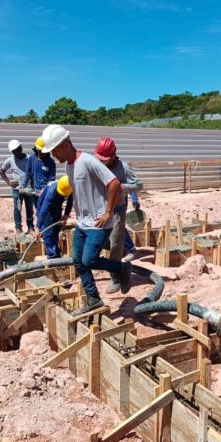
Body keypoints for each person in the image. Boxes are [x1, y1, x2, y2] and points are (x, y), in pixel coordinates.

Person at [41, 125, 132, 315]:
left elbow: (114, 182)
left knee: (89, 260)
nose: (53, 155)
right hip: (83, 223)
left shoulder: (89, 161)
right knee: (78, 261)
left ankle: (121, 267)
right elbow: (77, 191)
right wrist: (70, 213)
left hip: (99, 223)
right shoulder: (69, 165)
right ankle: (94, 300)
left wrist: (108, 212)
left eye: (55, 150)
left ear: (65, 145)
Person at [93, 137, 144, 293]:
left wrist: (121, 187)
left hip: (117, 210)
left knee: (115, 244)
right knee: (100, 242)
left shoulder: (124, 168)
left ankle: (115, 279)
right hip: (100, 209)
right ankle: (122, 267)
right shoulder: (97, 165)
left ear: (114, 155)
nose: (103, 162)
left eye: (105, 159)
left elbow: (139, 185)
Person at [0, 139, 34, 235]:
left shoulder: (29, 159)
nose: (16, 153)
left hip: (28, 189)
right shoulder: (10, 160)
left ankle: (31, 227)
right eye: (13, 152)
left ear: (21, 148)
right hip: (17, 190)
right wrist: (9, 183)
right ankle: (18, 228)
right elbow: (1, 171)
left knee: (29, 208)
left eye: (17, 150)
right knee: (17, 208)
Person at [35, 176, 74, 259]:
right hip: (45, 210)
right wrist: (38, 227)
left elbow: (70, 203)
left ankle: (55, 252)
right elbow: (44, 210)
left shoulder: (69, 187)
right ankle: (52, 257)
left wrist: (66, 215)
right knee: (48, 233)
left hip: (57, 208)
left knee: (55, 230)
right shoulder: (51, 191)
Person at [22, 137, 56, 211]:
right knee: (38, 211)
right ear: (37, 150)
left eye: (44, 151)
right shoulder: (32, 158)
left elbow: (52, 179)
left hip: (46, 192)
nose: (42, 153)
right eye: (40, 151)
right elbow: (28, 173)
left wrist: (45, 189)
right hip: (35, 192)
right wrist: (23, 185)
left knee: (45, 211)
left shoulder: (50, 162)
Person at [121, 191, 140, 262]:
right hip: (104, 200)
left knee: (119, 226)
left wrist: (134, 200)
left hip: (120, 199)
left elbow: (130, 182)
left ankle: (131, 249)